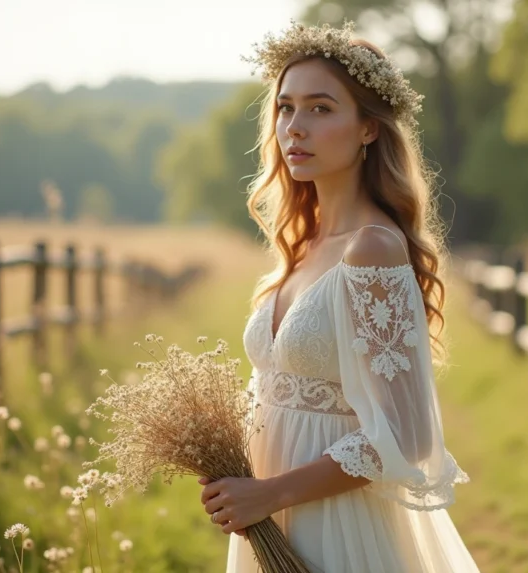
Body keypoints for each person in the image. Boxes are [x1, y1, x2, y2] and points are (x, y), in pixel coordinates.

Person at [198, 20, 481, 573]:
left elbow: (406, 432)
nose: (295, 128)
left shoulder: (372, 248)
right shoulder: (302, 245)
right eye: (285, 108)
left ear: (369, 130)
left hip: (342, 526)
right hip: (270, 521)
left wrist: (273, 492)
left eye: (321, 109)